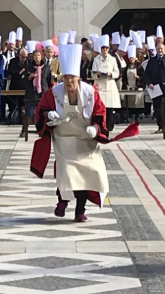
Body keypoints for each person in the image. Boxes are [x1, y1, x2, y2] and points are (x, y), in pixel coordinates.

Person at [31, 43, 138, 222]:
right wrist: (47, 114)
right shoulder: (53, 93)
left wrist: (95, 128)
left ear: (79, 78)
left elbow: (100, 113)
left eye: (72, 78)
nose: (69, 82)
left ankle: (80, 210)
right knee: (66, 173)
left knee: (88, 174)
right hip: (64, 141)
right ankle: (62, 201)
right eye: (66, 78)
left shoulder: (90, 93)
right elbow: (40, 112)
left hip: (86, 140)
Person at [144, 43, 165, 134]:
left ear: (164, 49)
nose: (160, 50)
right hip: (155, 87)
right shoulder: (152, 60)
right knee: (158, 108)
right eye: (158, 49)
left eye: (161, 49)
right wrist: (149, 83)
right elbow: (146, 74)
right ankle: (161, 126)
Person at [91, 35, 121, 132]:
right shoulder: (96, 60)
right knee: (100, 106)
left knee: (109, 107)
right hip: (100, 85)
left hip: (110, 84)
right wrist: (98, 74)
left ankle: (109, 125)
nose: (104, 50)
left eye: (106, 48)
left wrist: (111, 74)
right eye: (103, 48)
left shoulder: (113, 59)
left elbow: (117, 73)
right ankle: (100, 125)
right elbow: (93, 73)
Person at [7, 48, 30, 125]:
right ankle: (14, 117)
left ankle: (24, 118)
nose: (24, 59)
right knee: (14, 103)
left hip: (26, 86)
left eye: (26, 57)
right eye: (23, 57)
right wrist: (19, 73)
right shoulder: (13, 61)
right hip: (15, 85)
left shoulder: (29, 62)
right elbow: (10, 72)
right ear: (19, 55)